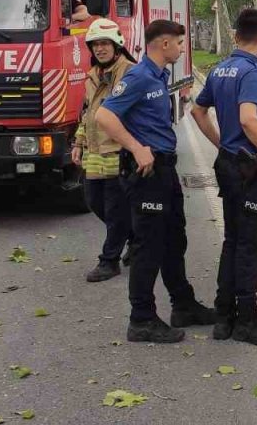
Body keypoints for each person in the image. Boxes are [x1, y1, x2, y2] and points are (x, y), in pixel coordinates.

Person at [96, 19, 216, 343]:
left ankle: (183, 304)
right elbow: (104, 116)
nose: (181, 48)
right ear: (163, 44)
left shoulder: (159, 76)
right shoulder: (137, 76)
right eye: (179, 43)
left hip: (165, 169)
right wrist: (137, 148)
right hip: (147, 172)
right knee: (147, 245)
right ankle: (142, 318)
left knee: (174, 237)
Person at [190, 8, 257, 346]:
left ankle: (224, 316)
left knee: (232, 240)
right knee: (250, 244)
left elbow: (197, 111)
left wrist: (220, 143)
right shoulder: (252, 71)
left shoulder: (221, 69)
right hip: (248, 168)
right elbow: (248, 118)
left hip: (228, 163)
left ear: (235, 34)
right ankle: (248, 320)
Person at [74, 19, 136, 283]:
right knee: (95, 203)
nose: (100, 49)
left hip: (118, 151)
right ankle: (135, 238)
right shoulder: (93, 75)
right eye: (95, 44)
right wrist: (78, 142)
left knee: (114, 209)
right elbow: (88, 111)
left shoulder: (129, 73)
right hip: (95, 151)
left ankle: (109, 260)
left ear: (117, 45)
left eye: (104, 44)